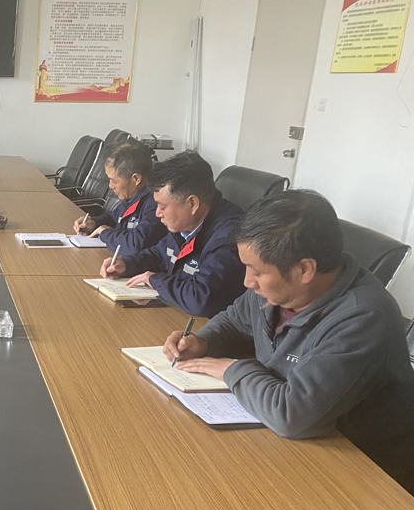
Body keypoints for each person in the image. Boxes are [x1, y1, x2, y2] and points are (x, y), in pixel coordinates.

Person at [165, 190, 414, 490]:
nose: (247, 281)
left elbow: (292, 414)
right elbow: (234, 321)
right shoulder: (276, 289)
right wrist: (202, 341)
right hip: (288, 446)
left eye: (256, 271)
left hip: (364, 475)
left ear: (304, 269)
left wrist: (230, 369)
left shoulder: (363, 317)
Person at [100, 150, 245, 318]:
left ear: (192, 203)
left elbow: (199, 299)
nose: (157, 213)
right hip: (176, 315)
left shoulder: (229, 237)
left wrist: (154, 280)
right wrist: (126, 265)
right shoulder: (188, 222)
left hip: (206, 326)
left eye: (163, 207)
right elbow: (159, 254)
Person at [73, 140, 166, 254]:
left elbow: (137, 244)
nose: (110, 186)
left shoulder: (157, 203)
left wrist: (105, 233)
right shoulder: (133, 195)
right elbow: (114, 217)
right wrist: (94, 223)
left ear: (136, 179)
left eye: (114, 180)